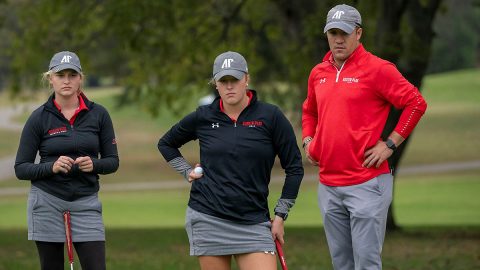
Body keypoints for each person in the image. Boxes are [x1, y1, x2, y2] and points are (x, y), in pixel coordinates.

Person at [302, 4, 427, 270]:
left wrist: (390, 144)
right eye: (332, 32)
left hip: (367, 183)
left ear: (358, 33)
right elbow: (309, 111)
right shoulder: (318, 73)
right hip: (329, 185)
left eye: (344, 33)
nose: (338, 39)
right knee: (341, 264)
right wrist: (308, 141)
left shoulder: (378, 69)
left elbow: (415, 103)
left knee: (367, 264)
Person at [158, 51, 304, 270]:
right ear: (215, 84)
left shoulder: (270, 116)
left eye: (234, 80)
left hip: (254, 221)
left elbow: (294, 168)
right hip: (208, 217)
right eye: (223, 81)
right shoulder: (203, 116)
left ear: (246, 79)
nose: (229, 86)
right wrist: (186, 171)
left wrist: (281, 215)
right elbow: (166, 143)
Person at [15, 51, 119, 270]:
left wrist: (94, 164)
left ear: (81, 78)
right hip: (46, 201)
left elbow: (112, 161)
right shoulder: (39, 117)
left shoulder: (99, 114)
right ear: (50, 78)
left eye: (72, 74)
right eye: (60, 74)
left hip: (86, 201)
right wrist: (51, 167)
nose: (66, 80)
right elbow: (21, 168)